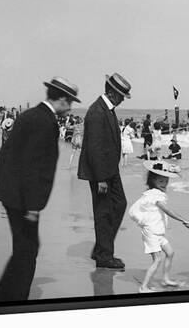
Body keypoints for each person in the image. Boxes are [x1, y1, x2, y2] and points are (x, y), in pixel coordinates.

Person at [0, 76, 80, 302]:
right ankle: (13, 300)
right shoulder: (45, 121)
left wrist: (4, 188)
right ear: (61, 99)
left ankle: (2, 294)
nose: (70, 108)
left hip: (12, 194)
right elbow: (33, 166)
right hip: (24, 200)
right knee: (27, 250)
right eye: (69, 102)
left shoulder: (30, 116)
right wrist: (32, 205)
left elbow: (5, 154)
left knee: (24, 247)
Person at [78, 72, 132, 270]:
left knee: (119, 204)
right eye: (120, 96)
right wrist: (100, 179)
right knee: (103, 212)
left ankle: (102, 248)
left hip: (110, 169)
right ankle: (104, 256)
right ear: (111, 92)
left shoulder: (107, 109)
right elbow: (94, 148)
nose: (121, 101)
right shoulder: (97, 112)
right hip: (101, 172)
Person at [128, 161, 188, 292]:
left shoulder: (154, 192)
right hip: (152, 232)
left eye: (166, 180)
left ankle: (166, 278)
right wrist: (183, 219)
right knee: (157, 260)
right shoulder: (155, 194)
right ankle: (143, 287)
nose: (164, 182)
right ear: (153, 180)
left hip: (157, 231)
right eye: (160, 180)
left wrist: (176, 170)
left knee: (170, 253)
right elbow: (166, 210)